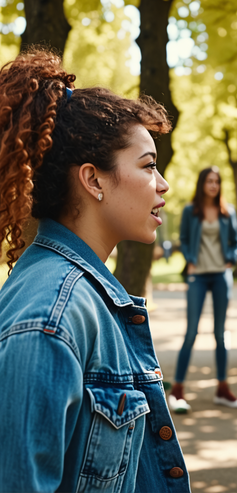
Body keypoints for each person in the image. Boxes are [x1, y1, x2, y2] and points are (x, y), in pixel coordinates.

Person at [0, 50, 190, 492]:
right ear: (94, 180)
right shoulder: (51, 315)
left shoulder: (79, 294)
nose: (163, 183)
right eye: (147, 165)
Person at [168, 166, 237, 413]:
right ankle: (177, 390)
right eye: (209, 181)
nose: (213, 185)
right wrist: (190, 260)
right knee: (191, 333)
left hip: (221, 276)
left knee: (220, 334)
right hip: (197, 277)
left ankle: (222, 388)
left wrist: (231, 259)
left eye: (217, 181)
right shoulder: (191, 211)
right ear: (202, 184)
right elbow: (185, 239)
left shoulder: (226, 211)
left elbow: (236, 242)